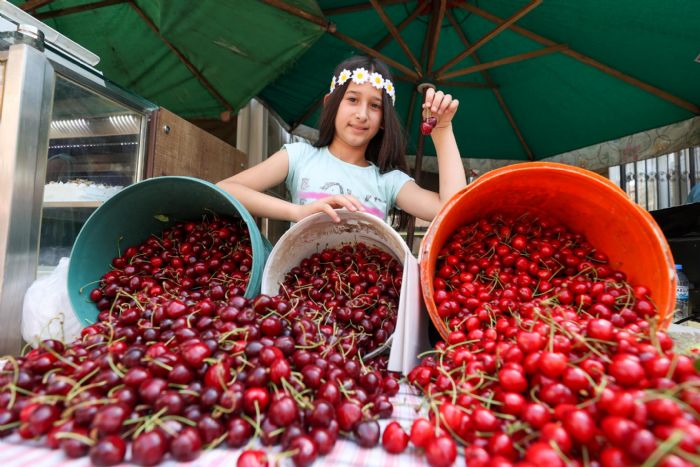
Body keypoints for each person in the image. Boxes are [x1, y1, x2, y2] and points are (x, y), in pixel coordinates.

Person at [217, 55, 466, 225]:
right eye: (353, 99)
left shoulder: (388, 181)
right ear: (331, 104)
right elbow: (226, 190)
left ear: (383, 120)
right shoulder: (299, 156)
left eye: (375, 105)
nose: (361, 114)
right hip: (298, 295)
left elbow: (453, 208)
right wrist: (297, 212)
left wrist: (442, 130)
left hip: (365, 298)